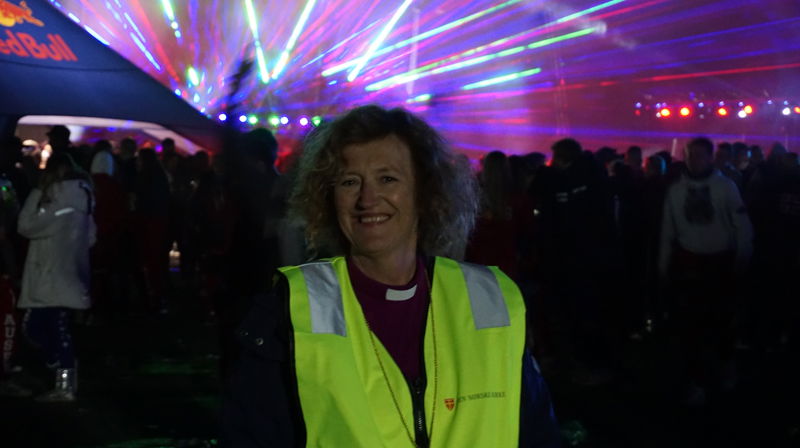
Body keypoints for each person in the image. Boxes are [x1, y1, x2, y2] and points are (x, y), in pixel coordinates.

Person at [222, 105, 560, 447]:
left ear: (425, 193)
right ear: (328, 196)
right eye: (350, 181)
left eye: (388, 178)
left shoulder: (491, 300)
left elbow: (536, 433)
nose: (367, 199)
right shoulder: (290, 309)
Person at [658, 137, 752, 406]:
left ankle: (726, 368)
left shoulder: (726, 187)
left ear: (711, 158)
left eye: (699, 155)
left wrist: (742, 261)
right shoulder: (675, 191)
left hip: (720, 267)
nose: (693, 160)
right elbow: (668, 231)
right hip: (690, 268)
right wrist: (663, 267)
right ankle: (698, 381)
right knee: (691, 328)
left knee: (722, 324)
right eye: (689, 155)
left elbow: (742, 228)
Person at [17, 153, 95, 402]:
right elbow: (91, 238)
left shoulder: (53, 198)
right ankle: (64, 374)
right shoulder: (84, 198)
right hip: (68, 270)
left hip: (48, 272)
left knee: (39, 327)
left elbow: (26, 226)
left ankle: (64, 380)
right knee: (53, 327)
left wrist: (34, 196)